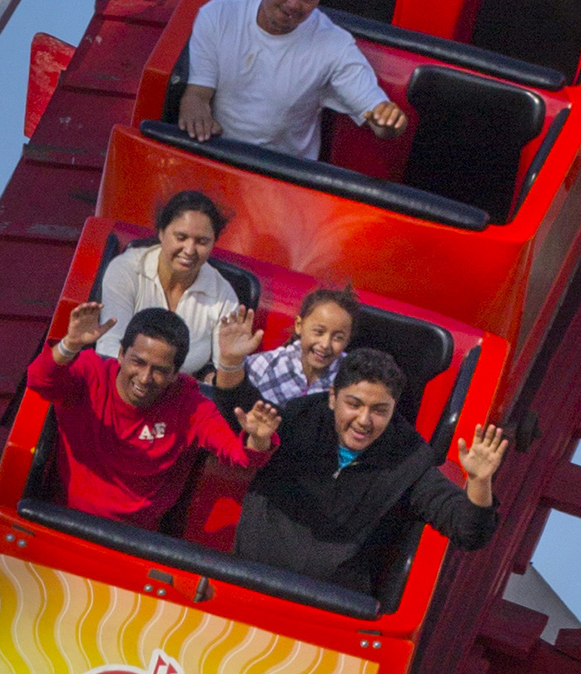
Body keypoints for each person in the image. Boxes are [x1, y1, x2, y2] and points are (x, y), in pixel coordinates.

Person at [234, 349, 509, 598]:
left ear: (393, 409)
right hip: (248, 577)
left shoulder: (409, 458)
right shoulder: (298, 417)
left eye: (379, 411)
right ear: (333, 397)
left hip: (331, 603)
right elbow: (245, 443)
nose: (364, 421)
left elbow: (469, 532)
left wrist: (480, 481)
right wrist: (258, 440)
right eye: (354, 404)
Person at [31, 303, 280, 528]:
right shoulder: (90, 373)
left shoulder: (188, 403)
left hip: (135, 543)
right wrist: (70, 344)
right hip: (63, 522)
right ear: (120, 354)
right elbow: (39, 380)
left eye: (160, 370)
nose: (145, 378)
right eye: (138, 362)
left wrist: (258, 440)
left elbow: (239, 455)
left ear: (175, 374)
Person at [178, 0, 410, 161]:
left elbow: (378, 117)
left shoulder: (335, 45)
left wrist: (389, 122)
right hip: (217, 153)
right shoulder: (217, 14)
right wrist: (197, 117)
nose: (294, 4)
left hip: (282, 175)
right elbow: (198, 94)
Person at [94, 190, 248, 378]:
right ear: (161, 232)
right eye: (181, 238)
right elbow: (109, 346)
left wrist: (228, 366)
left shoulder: (223, 294)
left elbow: (221, 376)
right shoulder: (126, 270)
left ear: (213, 243)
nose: (189, 250)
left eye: (201, 241)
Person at [239, 286, 363, 407]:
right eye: (319, 332)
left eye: (338, 338)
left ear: (348, 340)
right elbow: (230, 394)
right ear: (299, 325)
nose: (325, 344)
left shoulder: (352, 380)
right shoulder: (268, 365)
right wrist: (230, 359)